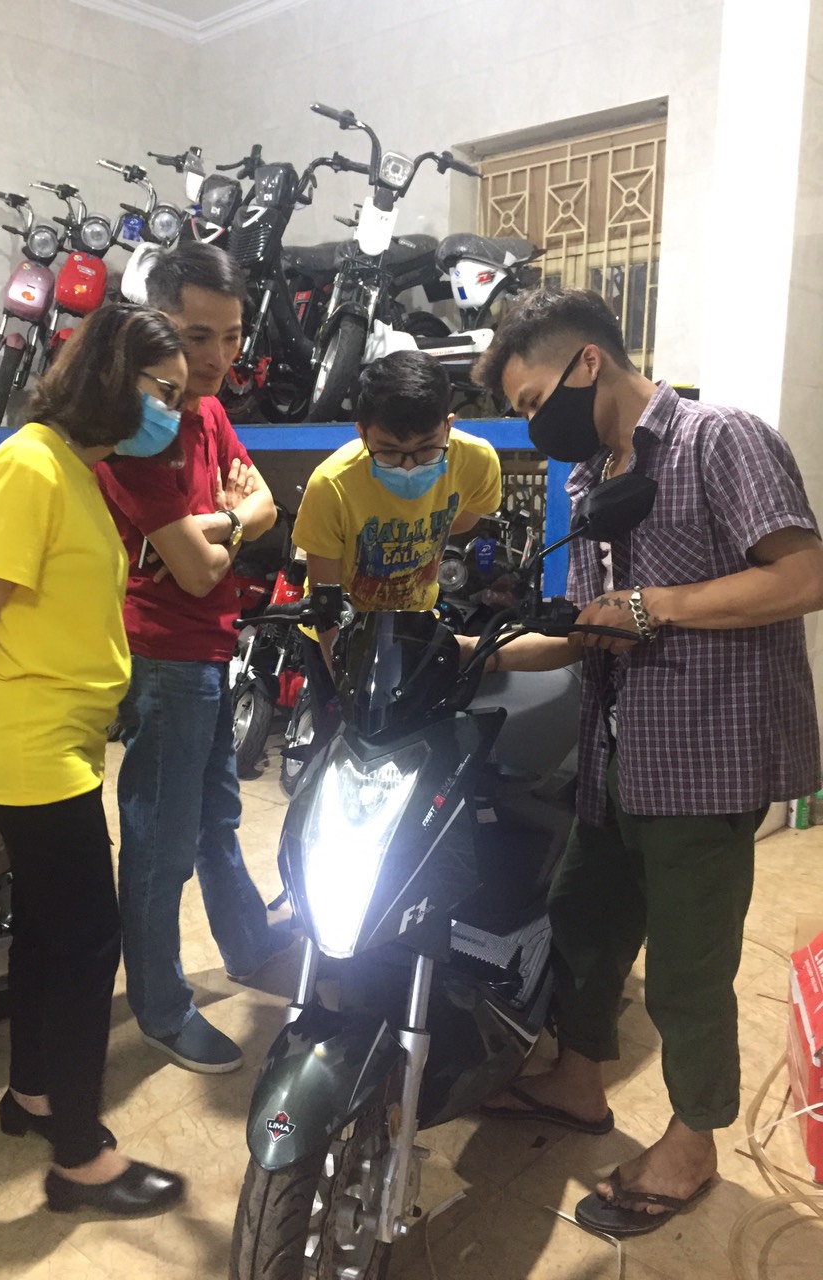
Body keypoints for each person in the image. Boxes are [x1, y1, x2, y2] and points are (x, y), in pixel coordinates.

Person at [470, 287, 823, 1237]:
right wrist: (479, 651)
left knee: (686, 967)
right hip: (613, 753)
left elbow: (804, 575)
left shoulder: (720, 439)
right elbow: (591, 629)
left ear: (589, 361)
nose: (533, 423)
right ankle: (578, 1080)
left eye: (534, 399)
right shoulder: (591, 478)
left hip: (705, 757)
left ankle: (694, 1138)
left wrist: (657, 605)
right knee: (583, 924)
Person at [0, 304, 187, 1215]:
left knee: (49, 933)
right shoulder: (29, 466)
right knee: (87, 941)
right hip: (31, 751)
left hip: (56, 740)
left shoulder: (76, 471)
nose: (172, 410)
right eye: (164, 390)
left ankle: (30, 1094)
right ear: (112, 375)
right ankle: (78, 1156)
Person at [96, 243, 285, 1076]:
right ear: (155, 325)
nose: (216, 358)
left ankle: (248, 945)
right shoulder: (141, 430)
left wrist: (222, 524)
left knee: (216, 817)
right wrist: (233, 522)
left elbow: (266, 503)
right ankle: (162, 1009)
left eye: (232, 336)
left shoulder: (206, 411)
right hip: (163, 654)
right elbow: (201, 567)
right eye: (196, 336)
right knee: (161, 840)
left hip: (210, 645)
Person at [291, 349, 502, 737]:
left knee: (413, 742)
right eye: (388, 451)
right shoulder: (332, 485)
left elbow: (464, 520)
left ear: (448, 426)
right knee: (340, 743)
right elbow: (325, 604)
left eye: (426, 449)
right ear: (362, 433)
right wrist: (347, 682)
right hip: (341, 634)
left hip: (415, 627)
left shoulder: (477, 462)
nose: (409, 467)